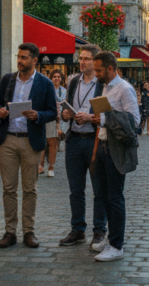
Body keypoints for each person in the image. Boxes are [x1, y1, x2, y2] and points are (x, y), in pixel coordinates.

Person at [0, 43, 58, 248]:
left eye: (24, 57)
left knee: (30, 188)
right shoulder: (8, 79)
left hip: (31, 140)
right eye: (18, 57)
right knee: (9, 188)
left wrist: (38, 115)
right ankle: (10, 232)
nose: (20, 61)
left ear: (35, 60)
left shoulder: (45, 83)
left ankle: (29, 231)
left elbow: (52, 112)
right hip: (8, 139)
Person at [89, 51, 140, 262]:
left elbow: (134, 121)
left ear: (111, 68)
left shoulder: (124, 89)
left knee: (115, 198)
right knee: (102, 196)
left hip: (115, 149)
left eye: (99, 70)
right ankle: (110, 238)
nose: (96, 73)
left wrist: (105, 118)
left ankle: (117, 245)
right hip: (100, 146)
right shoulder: (104, 86)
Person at [58, 45, 107, 248]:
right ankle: (77, 229)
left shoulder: (102, 84)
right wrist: (65, 114)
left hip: (94, 140)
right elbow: (67, 107)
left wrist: (90, 117)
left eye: (86, 59)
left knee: (99, 189)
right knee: (75, 189)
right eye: (81, 58)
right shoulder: (73, 81)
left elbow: (105, 116)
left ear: (95, 62)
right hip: (75, 140)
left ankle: (99, 230)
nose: (82, 62)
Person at [39, 69, 65, 177]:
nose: (57, 78)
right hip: (47, 116)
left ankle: (51, 166)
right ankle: (40, 165)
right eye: (55, 76)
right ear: (51, 78)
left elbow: (65, 103)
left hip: (57, 119)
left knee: (52, 143)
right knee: (41, 142)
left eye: (59, 77)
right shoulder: (46, 88)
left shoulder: (64, 90)